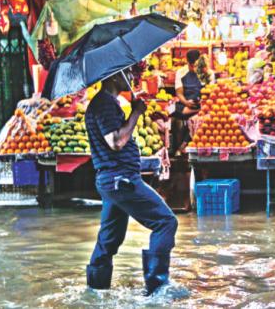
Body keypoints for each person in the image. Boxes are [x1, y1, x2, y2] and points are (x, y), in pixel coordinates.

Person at [84, 68, 178, 296]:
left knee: (109, 239)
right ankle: (157, 288)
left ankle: (96, 291)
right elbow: (115, 141)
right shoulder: (104, 104)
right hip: (120, 179)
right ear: (114, 75)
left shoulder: (106, 103)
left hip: (113, 180)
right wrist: (135, 113)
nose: (132, 77)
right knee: (166, 222)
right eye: (127, 72)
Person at [173, 49, 203, 155]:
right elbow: (179, 93)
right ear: (188, 62)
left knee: (196, 116)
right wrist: (186, 102)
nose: (194, 68)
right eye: (192, 65)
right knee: (172, 109)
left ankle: (183, 145)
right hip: (185, 103)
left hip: (201, 105)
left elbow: (210, 92)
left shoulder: (207, 73)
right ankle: (182, 146)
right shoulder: (181, 72)